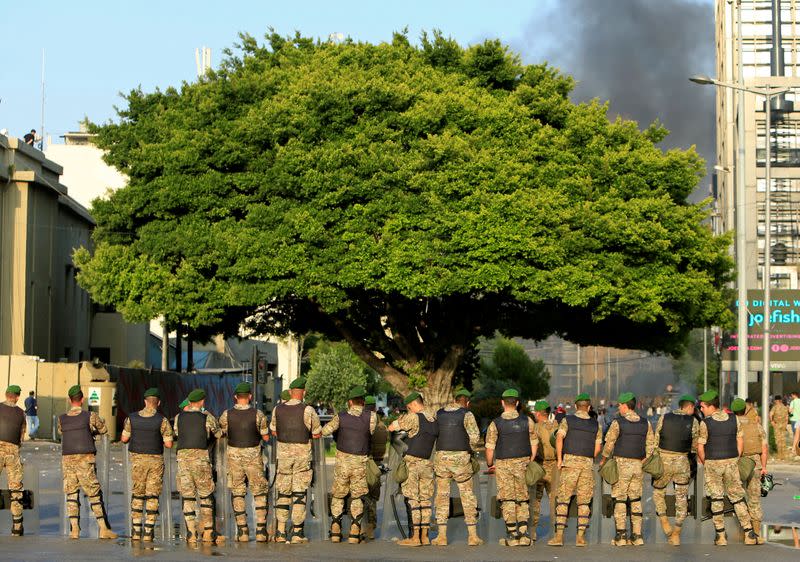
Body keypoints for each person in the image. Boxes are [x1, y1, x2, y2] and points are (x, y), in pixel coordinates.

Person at [696, 390, 762, 546]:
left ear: (710, 406)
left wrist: (707, 462)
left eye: (703, 407)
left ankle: (720, 536)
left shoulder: (706, 423)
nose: (701, 409)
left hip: (712, 462)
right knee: (738, 498)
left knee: (716, 498)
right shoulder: (734, 420)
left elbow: (700, 447)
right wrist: (736, 458)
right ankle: (749, 534)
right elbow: (740, 441)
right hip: (731, 462)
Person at [58, 385, 117, 539]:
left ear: (70, 400)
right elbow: (104, 430)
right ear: (82, 400)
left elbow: (61, 431)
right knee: (93, 494)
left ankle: (75, 530)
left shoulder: (62, 418)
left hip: (67, 460)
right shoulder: (90, 416)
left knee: (71, 494)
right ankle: (103, 529)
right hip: (85, 459)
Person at [269, 377, 322, 543]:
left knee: (283, 492)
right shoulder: (308, 410)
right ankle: (297, 533)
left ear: (290, 393)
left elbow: (274, 431)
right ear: (304, 393)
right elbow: (316, 433)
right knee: (299, 493)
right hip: (302, 457)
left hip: (283, 457)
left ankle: (280, 532)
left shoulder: (277, 409)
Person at [321, 386, 377, 543]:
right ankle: (354, 530)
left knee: (338, 495)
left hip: (342, 463)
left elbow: (324, 431)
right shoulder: (371, 417)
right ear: (363, 402)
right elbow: (371, 432)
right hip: (360, 461)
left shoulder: (341, 416)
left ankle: (335, 529)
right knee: (357, 497)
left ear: (350, 402)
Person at [600, 392, 654, 546]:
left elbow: (609, 444)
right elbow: (651, 447)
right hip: (638, 466)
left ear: (625, 406)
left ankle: (621, 536)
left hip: (621, 465)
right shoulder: (646, 423)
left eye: (620, 405)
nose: (619, 408)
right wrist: (642, 460)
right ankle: (637, 536)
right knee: (636, 499)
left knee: (620, 500)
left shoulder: (618, 423)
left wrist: (603, 461)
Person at [485, 389, 537, 547]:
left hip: (503, 464)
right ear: (517, 403)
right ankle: (524, 534)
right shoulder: (528, 421)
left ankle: (512, 535)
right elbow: (534, 444)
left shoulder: (495, 423)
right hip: (523, 463)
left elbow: (489, 448)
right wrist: (530, 460)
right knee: (523, 498)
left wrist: (490, 463)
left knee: (507, 498)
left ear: (502, 403)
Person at [120, 388, 173, 541]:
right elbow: (169, 444)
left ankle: (136, 530)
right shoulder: (162, 420)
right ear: (159, 403)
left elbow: (124, 439)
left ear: (145, 401)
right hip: (155, 462)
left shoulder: (131, 418)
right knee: (152, 495)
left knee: (137, 494)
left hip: (137, 461)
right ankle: (149, 531)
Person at [549, 392, 601, 547]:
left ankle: (559, 537)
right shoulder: (595, 424)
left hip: (569, 463)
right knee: (584, 502)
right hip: (586, 464)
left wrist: (559, 459)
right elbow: (598, 447)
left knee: (563, 499)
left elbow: (559, 438)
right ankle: (580, 537)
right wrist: (587, 457)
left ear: (575, 406)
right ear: (589, 407)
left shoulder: (567, 420)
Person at [219, 382, 270, 543]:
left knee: (237, 492)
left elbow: (222, 432)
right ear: (250, 396)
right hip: (254, 456)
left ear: (235, 397)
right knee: (259, 492)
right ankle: (261, 531)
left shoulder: (226, 415)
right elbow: (266, 436)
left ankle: (242, 531)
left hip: (234, 456)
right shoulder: (259, 414)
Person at [432, 388, 482, 546]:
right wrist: (470, 449)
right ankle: (473, 536)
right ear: (467, 402)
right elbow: (475, 437)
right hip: (461, 460)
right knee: (467, 496)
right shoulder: (467, 414)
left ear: (454, 399)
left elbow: (434, 433)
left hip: (441, 460)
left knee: (442, 496)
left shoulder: (439, 413)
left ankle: (441, 536)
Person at [173, 388, 224, 545]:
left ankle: (191, 533)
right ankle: (208, 532)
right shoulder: (206, 417)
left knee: (188, 497)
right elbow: (218, 434)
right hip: (201, 460)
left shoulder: (178, 417)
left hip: (183, 461)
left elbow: (176, 433)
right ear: (202, 401)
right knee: (205, 496)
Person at [387, 391, 438, 547]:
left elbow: (392, 427)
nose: (409, 410)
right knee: (425, 501)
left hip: (413, 463)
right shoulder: (433, 419)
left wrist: (399, 421)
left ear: (414, 404)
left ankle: (415, 538)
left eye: (409, 407)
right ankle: (425, 536)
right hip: (427, 464)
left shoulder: (414, 417)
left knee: (414, 500)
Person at [652, 394, 698, 545]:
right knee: (681, 496)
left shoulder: (664, 418)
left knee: (658, 491)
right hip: (682, 461)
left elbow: (655, 440)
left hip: (663, 460)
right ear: (689, 407)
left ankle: (664, 520)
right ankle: (677, 532)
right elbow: (695, 446)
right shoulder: (693, 421)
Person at [732, 398, 767, 542]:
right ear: (745, 410)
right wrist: (764, 467)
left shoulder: (731, 425)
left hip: (738, 464)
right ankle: (757, 534)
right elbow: (764, 449)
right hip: (755, 464)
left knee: (738, 498)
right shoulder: (756, 426)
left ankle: (745, 532)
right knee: (754, 499)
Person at [0, 385, 26, 536]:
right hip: (12, 452)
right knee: (16, 488)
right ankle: (17, 526)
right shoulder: (21, 414)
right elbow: (21, 438)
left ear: (5, 394)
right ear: (17, 397)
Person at [532, 399, 558, 543]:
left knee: (535, 499)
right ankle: (556, 531)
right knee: (555, 499)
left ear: (537, 413)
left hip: (539, 466)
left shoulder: (534, 428)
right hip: (554, 466)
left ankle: (533, 531)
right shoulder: (557, 426)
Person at [363, 395, 388, 540]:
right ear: (375, 408)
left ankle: (358, 526)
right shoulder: (381, 426)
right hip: (376, 465)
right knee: (372, 498)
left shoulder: (362, 422)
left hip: (363, 461)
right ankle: (371, 527)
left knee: (359, 496)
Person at [769, 395, 790, 460]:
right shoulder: (785, 407)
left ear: (776, 400)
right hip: (783, 425)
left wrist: (771, 421)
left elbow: (770, 414)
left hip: (777, 425)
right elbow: (787, 417)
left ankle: (779, 456)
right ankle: (784, 456)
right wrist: (785, 424)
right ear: (781, 400)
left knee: (778, 440)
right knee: (783, 440)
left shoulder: (774, 407)